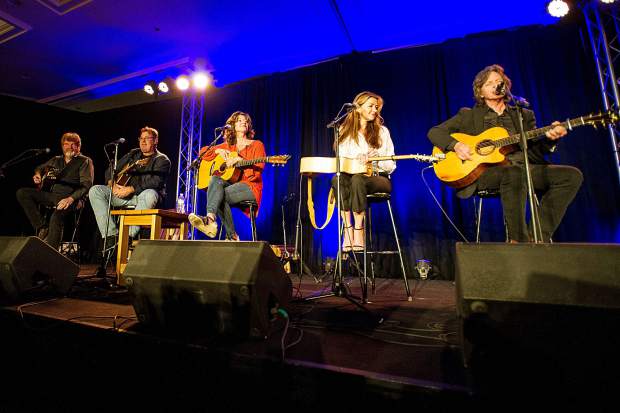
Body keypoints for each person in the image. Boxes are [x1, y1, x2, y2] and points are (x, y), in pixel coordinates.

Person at [428, 64, 583, 242]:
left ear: (506, 86)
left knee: (571, 176)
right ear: (480, 92)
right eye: (489, 83)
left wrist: (551, 139)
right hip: (486, 172)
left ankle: (538, 235)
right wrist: (456, 145)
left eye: (499, 81)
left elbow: (533, 153)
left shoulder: (523, 115)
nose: (496, 85)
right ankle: (518, 240)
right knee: (514, 173)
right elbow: (434, 132)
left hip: (523, 168)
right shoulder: (468, 115)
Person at [332, 91, 396, 252]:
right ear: (358, 108)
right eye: (371, 106)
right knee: (337, 179)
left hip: (378, 178)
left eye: (376, 107)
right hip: (352, 178)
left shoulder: (382, 132)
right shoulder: (343, 131)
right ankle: (347, 230)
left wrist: (377, 159)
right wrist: (357, 158)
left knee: (358, 180)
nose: (375, 110)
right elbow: (342, 162)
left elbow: (391, 165)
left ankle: (358, 230)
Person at [89, 126, 171, 248]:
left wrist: (131, 189)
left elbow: (156, 181)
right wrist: (112, 184)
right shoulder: (133, 154)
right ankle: (111, 236)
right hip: (122, 195)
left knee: (150, 193)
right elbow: (111, 170)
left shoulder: (162, 159)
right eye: (141, 138)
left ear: (155, 140)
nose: (143, 141)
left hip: (142, 198)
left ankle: (127, 237)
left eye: (147, 138)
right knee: (95, 190)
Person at [189, 111, 265, 240]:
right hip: (231, 186)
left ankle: (222, 229)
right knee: (215, 179)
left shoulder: (257, 145)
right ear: (232, 125)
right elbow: (202, 152)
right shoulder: (228, 146)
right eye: (239, 120)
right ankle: (214, 221)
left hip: (250, 187)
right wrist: (218, 150)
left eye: (246, 121)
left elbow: (257, 172)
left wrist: (240, 161)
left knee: (218, 195)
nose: (244, 122)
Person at [16, 132, 94, 250]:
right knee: (22, 193)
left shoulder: (84, 161)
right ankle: (42, 226)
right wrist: (37, 175)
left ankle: (50, 254)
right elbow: (39, 168)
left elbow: (86, 185)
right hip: (53, 195)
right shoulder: (56, 159)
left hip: (73, 198)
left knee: (56, 217)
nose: (69, 147)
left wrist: (70, 198)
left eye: (73, 144)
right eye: (66, 144)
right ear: (62, 146)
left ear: (78, 146)